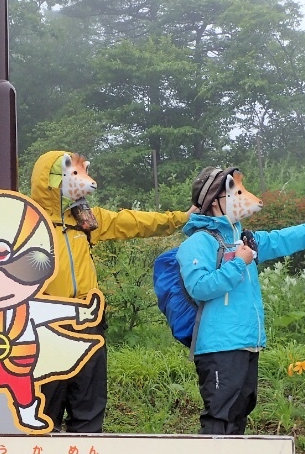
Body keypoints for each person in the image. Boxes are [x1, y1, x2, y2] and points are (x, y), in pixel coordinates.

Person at [177, 166, 305, 435]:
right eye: (236, 192)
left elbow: (287, 237)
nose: (248, 198)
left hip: (247, 344)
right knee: (219, 418)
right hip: (218, 346)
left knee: (240, 413)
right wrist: (239, 263)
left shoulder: (245, 239)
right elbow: (200, 287)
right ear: (214, 200)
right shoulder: (198, 243)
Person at [30, 150, 193, 433]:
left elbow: (130, 221)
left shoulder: (86, 219)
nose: (86, 182)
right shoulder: (27, 222)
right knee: (44, 408)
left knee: (89, 403)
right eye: (75, 174)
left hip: (88, 321)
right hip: (44, 326)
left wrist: (179, 218)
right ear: (52, 179)